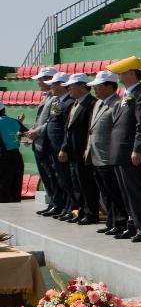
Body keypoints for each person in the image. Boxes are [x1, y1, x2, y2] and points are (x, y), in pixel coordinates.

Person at [107, 57, 141, 242]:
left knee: (136, 192)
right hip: (118, 151)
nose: (119, 75)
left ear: (132, 73)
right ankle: (132, 224)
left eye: (122, 72)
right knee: (125, 192)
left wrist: (137, 149)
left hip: (129, 151)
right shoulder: (125, 96)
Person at [87, 71, 128, 235]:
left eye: (98, 86)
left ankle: (120, 222)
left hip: (108, 156)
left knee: (114, 192)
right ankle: (111, 220)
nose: (95, 89)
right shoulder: (98, 103)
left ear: (109, 86)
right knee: (105, 192)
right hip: (96, 155)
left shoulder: (117, 104)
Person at [58, 73, 97, 225]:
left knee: (87, 184)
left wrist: (88, 147)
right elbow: (68, 129)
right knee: (77, 183)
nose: (69, 89)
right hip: (73, 151)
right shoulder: (75, 103)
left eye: (71, 86)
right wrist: (65, 147)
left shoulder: (91, 103)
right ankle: (81, 211)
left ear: (82, 86)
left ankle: (90, 213)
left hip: (83, 151)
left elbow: (90, 129)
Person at [40, 73, 74, 219]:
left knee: (66, 180)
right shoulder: (57, 101)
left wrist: (63, 147)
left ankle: (70, 207)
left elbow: (67, 127)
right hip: (52, 146)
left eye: (53, 84)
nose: (50, 86)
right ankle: (60, 205)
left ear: (62, 85)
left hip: (61, 147)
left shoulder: (70, 102)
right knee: (57, 179)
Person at [26, 68, 59, 215]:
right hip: (39, 142)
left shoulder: (56, 98)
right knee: (46, 176)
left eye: (41, 79)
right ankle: (53, 203)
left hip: (47, 142)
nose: (39, 83)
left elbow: (52, 121)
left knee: (52, 176)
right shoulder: (47, 97)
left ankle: (58, 204)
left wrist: (36, 131)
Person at [0, 104, 23, 203]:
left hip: (3, 155)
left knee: (3, 182)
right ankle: (15, 201)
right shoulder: (15, 121)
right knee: (16, 181)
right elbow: (22, 134)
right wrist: (19, 123)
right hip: (16, 155)